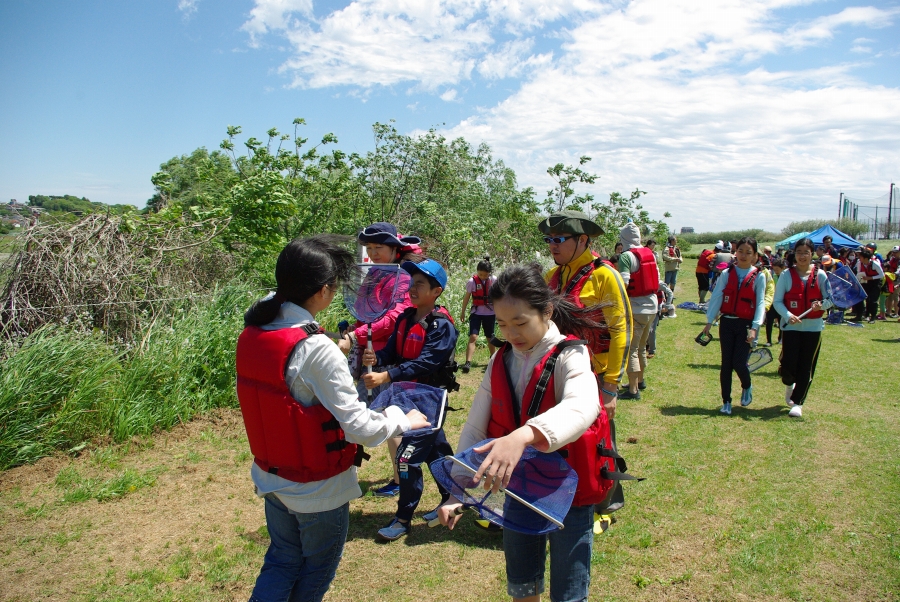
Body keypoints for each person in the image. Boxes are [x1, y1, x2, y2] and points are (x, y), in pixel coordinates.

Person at [236, 235, 430, 602]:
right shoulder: (314, 347)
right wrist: (400, 419)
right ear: (325, 290)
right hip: (317, 488)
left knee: (281, 560)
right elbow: (359, 427)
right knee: (317, 569)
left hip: (271, 476)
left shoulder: (254, 330)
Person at [437, 263, 607, 602]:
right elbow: (476, 424)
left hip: (568, 490)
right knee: (522, 583)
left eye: (520, 323)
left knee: (569, 590)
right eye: (501, 324)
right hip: (518, 490)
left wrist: (523, 436)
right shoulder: (502, 358)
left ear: (546, 312)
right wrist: (459, 490)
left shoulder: (570, 355)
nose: (511, 333)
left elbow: (583, 405)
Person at [538, 210, 631, 533]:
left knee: (597, 442)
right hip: (560, 373)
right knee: (563, 442)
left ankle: (603, 506)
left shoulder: (606, 276)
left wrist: (611, 386)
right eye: (549, 239)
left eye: (559, 239)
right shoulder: (554, 276)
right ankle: (561, 500)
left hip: (595, 375)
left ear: (583, 240)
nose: (552, 245)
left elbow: (621, 330)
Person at [362, 259, 459, 541]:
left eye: (420, 284)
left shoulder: (442, 325)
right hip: (406, 399)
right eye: (412, 282)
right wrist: (377, 358)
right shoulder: (406, 318)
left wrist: (387, 376)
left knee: (406, 458)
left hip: (430, 400)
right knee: (437, 453)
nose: (412, 288)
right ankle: (450, 498)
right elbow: (393, 351)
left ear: (436, 291)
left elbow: (427, 362)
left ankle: (403, 518)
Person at [337, 222, 423, 498]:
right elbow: (365, 310)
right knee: (355, 412)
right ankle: (345, 470)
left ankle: (401, 479)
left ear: (395, 249)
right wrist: (354, 330)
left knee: (392, 416)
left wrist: (356, 336)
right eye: (369, 248)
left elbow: (394, 317)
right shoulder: (374, 272)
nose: (373, 253)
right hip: (367, 351)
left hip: (388, 356)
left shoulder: (403, 277)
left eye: (379, 248)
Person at [701, 237, 766, 415]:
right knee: (726, 364)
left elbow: (760, 303)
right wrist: (709, 321)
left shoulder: (759, 276)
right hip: (727, 322)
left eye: (748, 252)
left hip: (745, 324)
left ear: (754, 256)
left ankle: (746, 385)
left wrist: (755, 327)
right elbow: (716, 298)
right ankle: (726, 401)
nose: (744, 255)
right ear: (735, 252)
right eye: (741, 251)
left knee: (739, 362)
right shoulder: (726, 274)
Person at [773, 237, 834, 418]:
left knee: (806, 365)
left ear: (812, 254)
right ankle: (789, 384)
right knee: (788, 366)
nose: (802, 256)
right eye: (799, 252)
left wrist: (821, 306)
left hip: (813, 328)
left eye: (806, 252)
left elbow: (830, 300)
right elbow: (777, 301)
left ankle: (798, 402)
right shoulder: (786, 275)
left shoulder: (820, 275)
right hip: (791, 327)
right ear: (794, 254)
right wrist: (788, 315)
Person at [617, 222, 659, 401]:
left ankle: (633, 390)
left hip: (636, 308)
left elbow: (624, 283)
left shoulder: (626, 256)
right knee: (642, 346)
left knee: (631, 349)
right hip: (652, 305)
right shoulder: (649, 253)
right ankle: (640, 380)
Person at [459, 256, 497, 373]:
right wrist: (463, 311)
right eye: (480, 274)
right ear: (477, 272)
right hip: (476, 312)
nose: (483, 277)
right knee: (473, 336)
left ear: (489, 273)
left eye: (485, 275)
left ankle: (493, 360)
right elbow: (467, 298)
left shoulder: (494, 280)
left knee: (490, 337)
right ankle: (468, 362)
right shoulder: (472, 282)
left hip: (490, 313)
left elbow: (498, 296)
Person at [852, 249, 883, 323]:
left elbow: (882, 275)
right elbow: (859, 273)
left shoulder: (875, 264)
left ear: (866, 258)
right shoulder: (859, 263)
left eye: (861, 257)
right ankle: (859, 315)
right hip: (864, 282)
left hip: (875, 283)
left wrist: (871, 278)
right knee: (859, 298)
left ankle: (872, 318)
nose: (859, 258)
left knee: (872, 301)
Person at [763, 259, 785, 346]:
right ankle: (768, 340)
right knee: (769, 322)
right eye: (774, 269)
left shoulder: (785, 276)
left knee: (781, 322)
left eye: (777, 270)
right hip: (771, 302)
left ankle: (780, 338)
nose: (775, 271)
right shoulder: (772, 276)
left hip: (781, 303)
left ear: (782, 268)